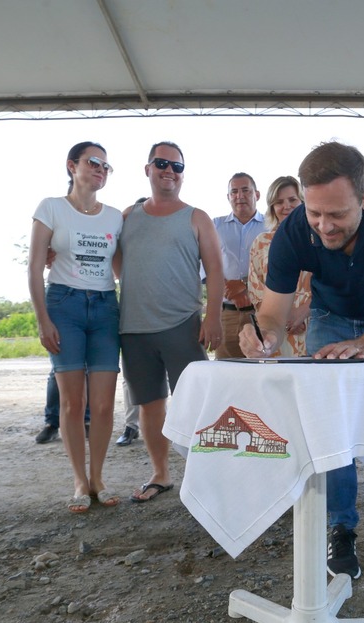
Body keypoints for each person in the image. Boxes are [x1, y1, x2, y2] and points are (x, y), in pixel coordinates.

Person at [239, 142, 364, 580]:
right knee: (330, 425)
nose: (324, 226)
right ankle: (340, 525)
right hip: (328, 318)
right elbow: (272, 310)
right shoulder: (293, 231)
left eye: (338, 215)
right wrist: (264, 336)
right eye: (315, 213)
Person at [117, 141, 224, 502]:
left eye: (177, 166)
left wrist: (212, 317)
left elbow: (215, 270)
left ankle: (206, 474)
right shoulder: (128, 216)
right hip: (134, 328)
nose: (169, 171)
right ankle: (161, 474)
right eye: (162, 163)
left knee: (196, 402)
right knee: (150, 403)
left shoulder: (197, 217)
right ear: (147, 169)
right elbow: (114, 261)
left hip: (184, 324)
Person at [28, 141, 122, 512]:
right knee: (72, 402)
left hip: (104, 308)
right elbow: (36, 267)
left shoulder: (115, 216)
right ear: (72, 166)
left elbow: (121, 269)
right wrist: (42, 319)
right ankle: (79, 482)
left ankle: (98, 477)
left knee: (101, 405)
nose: (100, 169)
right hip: (63, 305)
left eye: (106, 166)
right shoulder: (50, 208)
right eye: (93, 162)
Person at [248, 175, 311, 356]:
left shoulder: (320, 239)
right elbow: (255, 288)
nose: (286, 206)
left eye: (292, 200)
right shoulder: (261, 243)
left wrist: (303, 312)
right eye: (279, 202)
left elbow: (330, 282)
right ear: (272, 208)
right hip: (276, 332)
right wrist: (282, 317)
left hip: (315, 327)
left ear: (303, 201)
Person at [213, 173, 266, 359]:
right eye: (234, 191)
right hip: (227, 315)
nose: (239, 196)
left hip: (264, 315)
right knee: (226, 374)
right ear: (228, 197)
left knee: (262, 374)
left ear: (257, 194)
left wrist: (244, 284)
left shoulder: (271, 226)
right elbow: (205, 265)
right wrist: (231, 289)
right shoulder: (214, 226)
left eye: (245, 190)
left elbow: (277, 269)